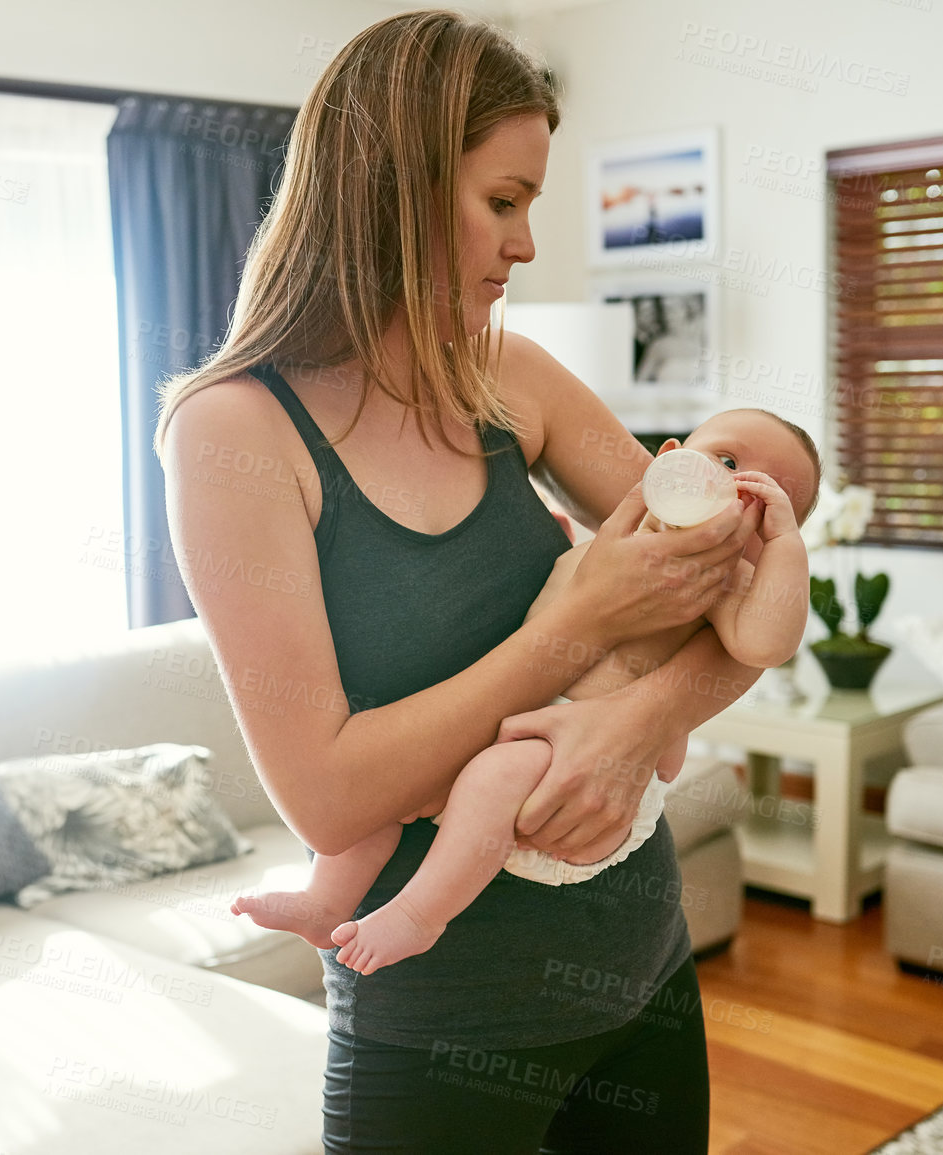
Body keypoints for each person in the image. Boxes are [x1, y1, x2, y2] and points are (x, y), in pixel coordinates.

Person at [154, 10, 771, 1152]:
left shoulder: (512, 380)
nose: (528, 243)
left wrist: (632, 723)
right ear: (389, 189)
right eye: (504, 201)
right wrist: (579, 617)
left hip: (643, 977)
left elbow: (731, 577)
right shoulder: (236, 431)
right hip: (436, 1036)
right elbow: (328, 799)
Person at [231, 408, 821, 977]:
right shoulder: (610, 540)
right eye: (723, 458)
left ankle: (419, 915)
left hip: (584, 778)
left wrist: (786, 548)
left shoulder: (720, 581)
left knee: (494, 777)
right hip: (514, 726)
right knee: (386, 788)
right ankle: (326, 902)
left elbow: (767, 644)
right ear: (669, 461)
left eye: (770, 499)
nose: (740, 489)